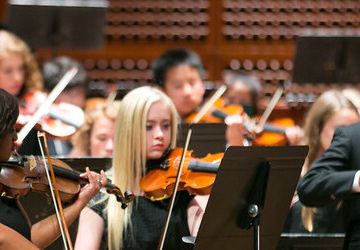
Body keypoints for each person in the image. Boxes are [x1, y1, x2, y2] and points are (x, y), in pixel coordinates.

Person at [75, 86, 211, 250]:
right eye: (149, 126)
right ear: (127, 130)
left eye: (166, 125)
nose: (160, 134)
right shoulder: (101, 197)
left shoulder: (182, 192)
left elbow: (210, 240)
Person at [0, 88, 107, 249]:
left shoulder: (4, 183)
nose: (16, 138)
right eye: (11, 129)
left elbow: (27, 240)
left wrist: (80, 202)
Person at [284, 90, 359, 234]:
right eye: (341, 129)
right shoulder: (293, 175)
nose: (349, 137)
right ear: (318, 129)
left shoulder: (351, 177)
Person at [152, 48, 245, 146]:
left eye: (192, 83)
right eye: (178, 86)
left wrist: (236, 144)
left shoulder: (220, 118)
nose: (187, 92)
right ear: (163, 90)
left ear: (202, 83)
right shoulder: (157, 127)